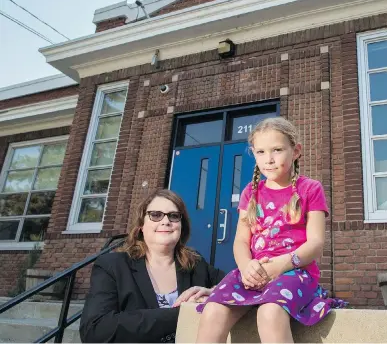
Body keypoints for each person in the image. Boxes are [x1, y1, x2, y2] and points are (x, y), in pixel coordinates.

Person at [196, 117, 347, 343]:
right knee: (213, 311)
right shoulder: (251, 192)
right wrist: (246, 266)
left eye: (277, 150)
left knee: (270, 312)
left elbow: (315, 244)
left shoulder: (310, 189)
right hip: (254, 272)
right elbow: (240, 241)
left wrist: (281, 265)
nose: (269, 159)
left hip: (295, 271)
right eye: (261, 152)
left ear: (295, 151)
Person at [80, 189, 225, 343]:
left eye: (174, 216)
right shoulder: (113, 266)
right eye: (156, 215)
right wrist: (182, 314)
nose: (166, 221)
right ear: (141, 225)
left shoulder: (196, 264)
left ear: (181, 226)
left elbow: (240, 286)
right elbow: (95, 330)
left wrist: (213, 292)